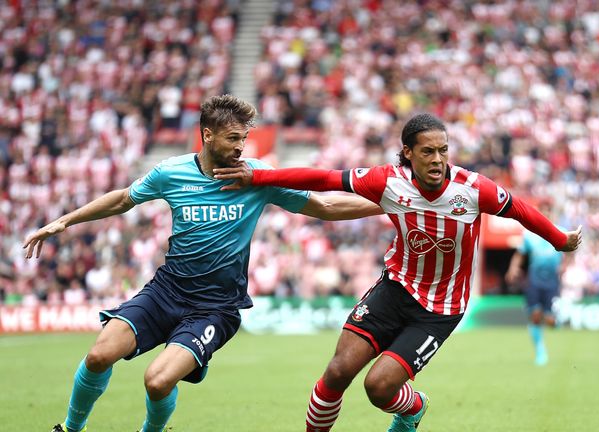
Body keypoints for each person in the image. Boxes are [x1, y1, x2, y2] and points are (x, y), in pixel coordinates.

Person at [22, 94, 382, 432]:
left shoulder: (256, 176)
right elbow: (122, 200)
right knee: (99, 355)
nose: (241, 146)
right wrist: (65, 220)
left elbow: (327, 207)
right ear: (207, 135)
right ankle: (70, 427)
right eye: (232, 138)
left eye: (244, 138)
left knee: (158, 380)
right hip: (166, 291)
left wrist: (389, 204)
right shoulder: (170, 173)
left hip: (216, 307)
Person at [213, 113, 582, 432]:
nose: (437, 160)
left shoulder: (471, 189)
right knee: (339, 370)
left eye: (443, 150)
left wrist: (558, 239)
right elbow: (324, 178)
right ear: (408, 153)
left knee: (379, 388)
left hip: (439, 310)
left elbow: (518, 209)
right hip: (395, 288)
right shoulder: (388, 181)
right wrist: (259, 178)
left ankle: (414, 408)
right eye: (427, 151)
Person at [505, 201, 567, 366]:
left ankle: (556, 321)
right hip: (534, 280)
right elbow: (520, 254)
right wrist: (513, 269)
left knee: (550, 320)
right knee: (535, 316)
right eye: (543, 211)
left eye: (549, 211)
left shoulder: (562, 232)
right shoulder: (530, 234)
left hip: (552, 281)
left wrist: (566, 266)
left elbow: (571, 250)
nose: (546, 214)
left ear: (553, 213)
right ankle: (540, 351)